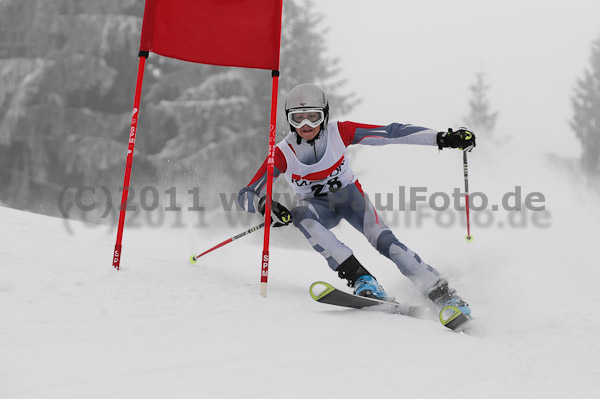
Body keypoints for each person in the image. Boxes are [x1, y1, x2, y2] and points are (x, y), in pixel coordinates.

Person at [237, 83, 475, 315]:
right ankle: (362, 279)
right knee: (300, 214)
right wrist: (264, 205)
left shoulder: (339, 132)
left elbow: (392, 133)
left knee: (386, 243)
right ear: (289, 120)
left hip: (351, 199)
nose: (306, 124)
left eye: (314, 117)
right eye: (298, 118)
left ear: (325, 115)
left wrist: (442, 138)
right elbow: (246, 194)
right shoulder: (282, 152)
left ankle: (443, 293)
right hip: (317, 209)